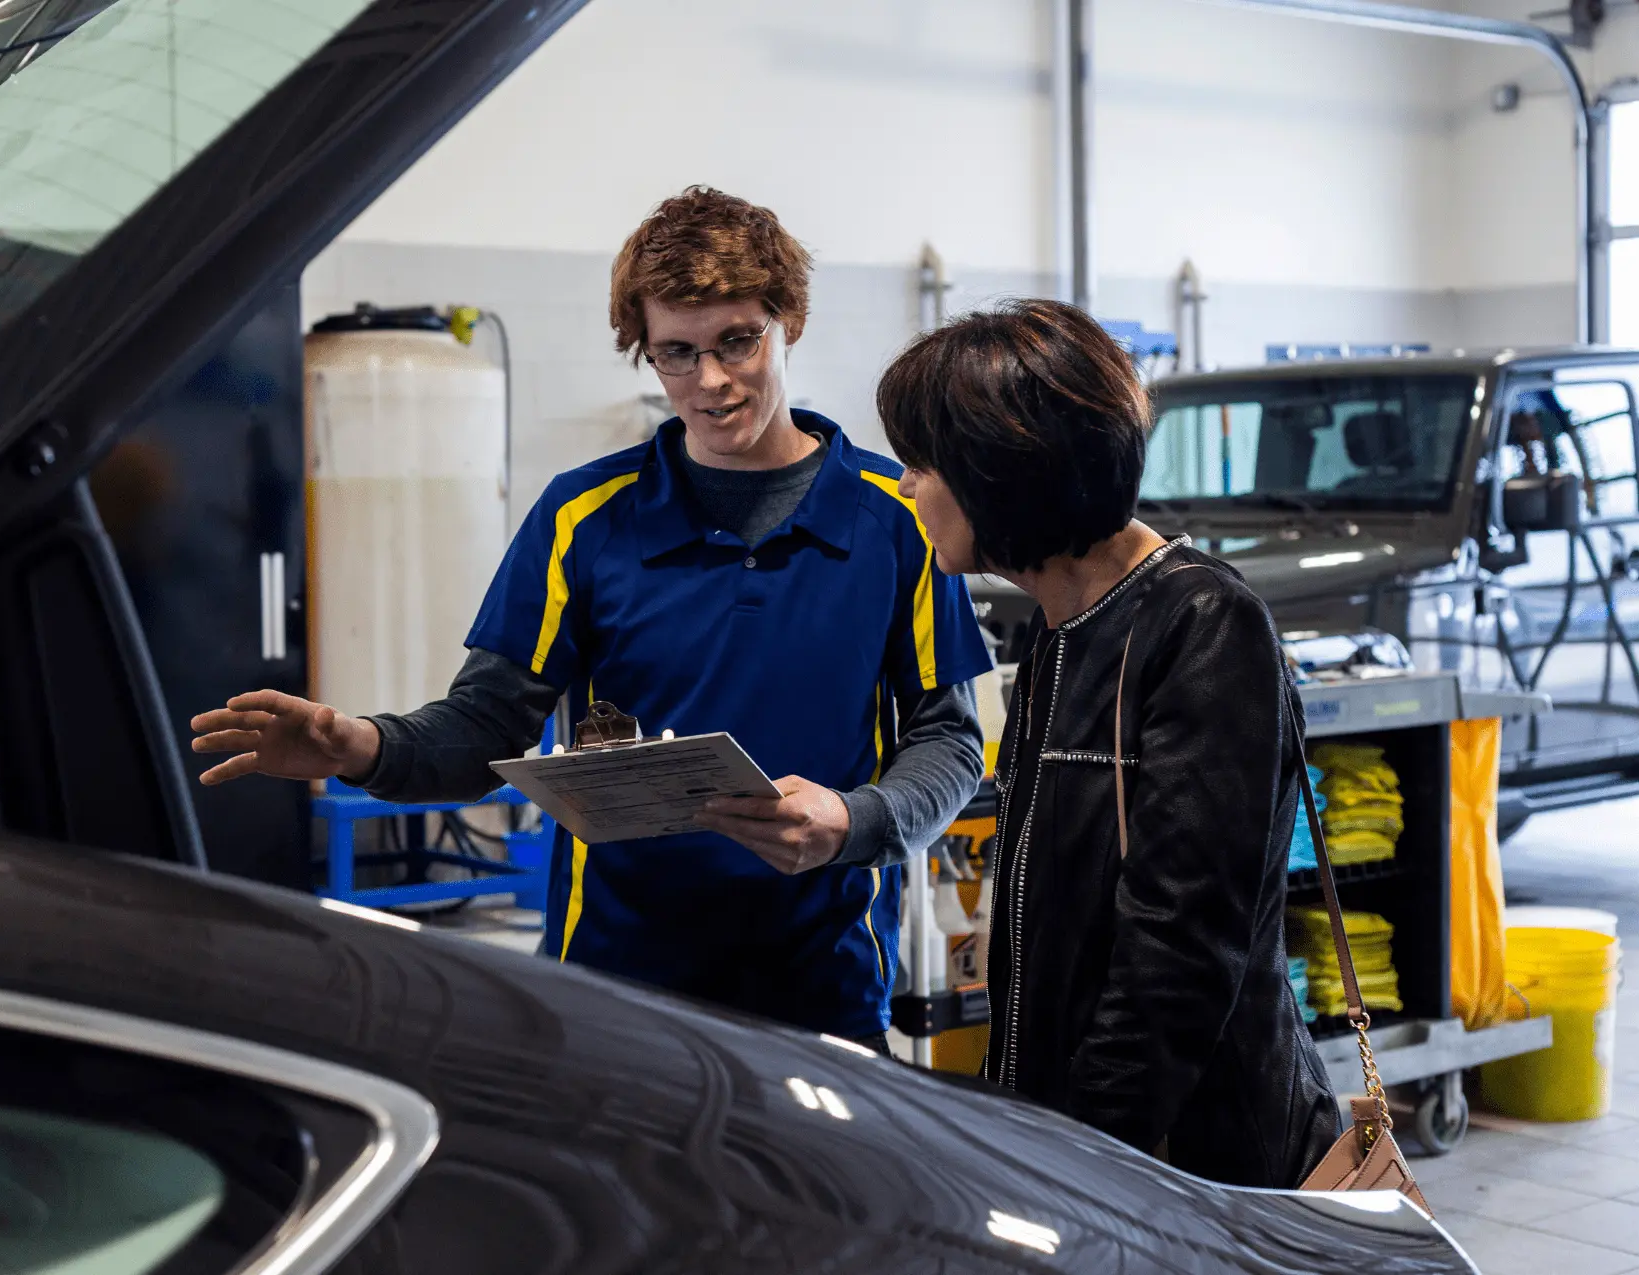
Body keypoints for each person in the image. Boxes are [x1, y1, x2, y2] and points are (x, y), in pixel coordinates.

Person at [191, 186, 992, 1051]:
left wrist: (856, 820)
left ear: (786, 321)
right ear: (644, 354)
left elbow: (946, 739)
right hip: (616, 987)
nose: (711, 381)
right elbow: (485, 726)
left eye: (736, 341)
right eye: (676, 354)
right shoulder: (584, 518)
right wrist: (363, 746)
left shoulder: (894, 517)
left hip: (825, 981)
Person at [876, 299, 1339, 1187]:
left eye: (922, 463)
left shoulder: (1203, 626)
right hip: (1078, 1135)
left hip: (1187, 1163)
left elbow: (1178, 956)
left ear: (1000, 472)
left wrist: (1079, 1165)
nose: (906, 486)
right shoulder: (1061, 628)